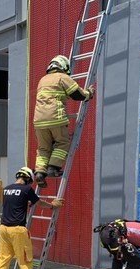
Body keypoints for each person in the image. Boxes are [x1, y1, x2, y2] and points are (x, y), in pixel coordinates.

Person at [0, 167, 64, 269]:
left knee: (3, 260)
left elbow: (16, 201)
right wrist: (52, 205)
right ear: (27, 179)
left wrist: (28, 202)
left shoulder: (6, 189)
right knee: (25, 260)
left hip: (3, 228)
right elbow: (40, 203)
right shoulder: (27, 189)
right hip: (18, 230)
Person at [33, 55, 95, 188]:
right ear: (63, 67)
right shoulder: (62, 77)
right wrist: (89, 93)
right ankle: (53, 168)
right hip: (56, 117)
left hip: (39, 121)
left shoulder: (42, 80)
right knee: (62, 143)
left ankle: (39, 172)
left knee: (43, 148)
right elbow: (78, 95)